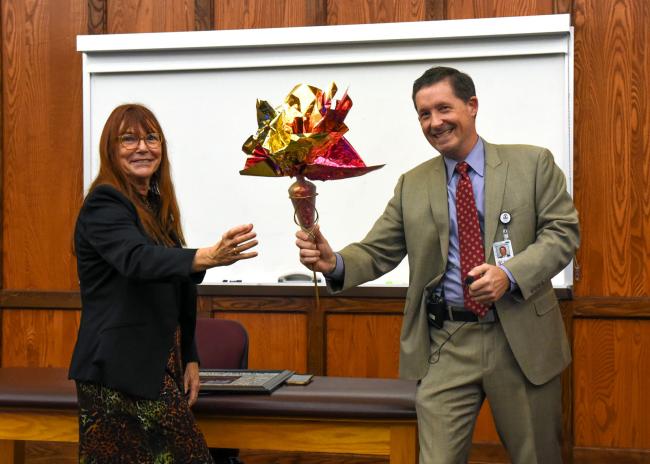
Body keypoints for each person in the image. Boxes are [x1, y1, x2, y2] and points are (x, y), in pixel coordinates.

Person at [296, 67, 579, 463]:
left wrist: (508, 274)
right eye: (424, 114)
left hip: (521, 338)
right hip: (446, 342)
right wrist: (335, 262)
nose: (435, 122)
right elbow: (378, 251)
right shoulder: (413, 184)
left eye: (443, 108)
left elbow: (562, 233)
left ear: (472, 106)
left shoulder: (532, 164)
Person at [69, 103, 258, 463]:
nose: (143, 147)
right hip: (117, 371)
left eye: (151, 138)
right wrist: (205, 256)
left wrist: (190, 357)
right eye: (129, 139)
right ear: (111, 148)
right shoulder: (104, 203)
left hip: (157, 366)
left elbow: (179, 284)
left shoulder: (155, 205)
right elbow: (137, 260)